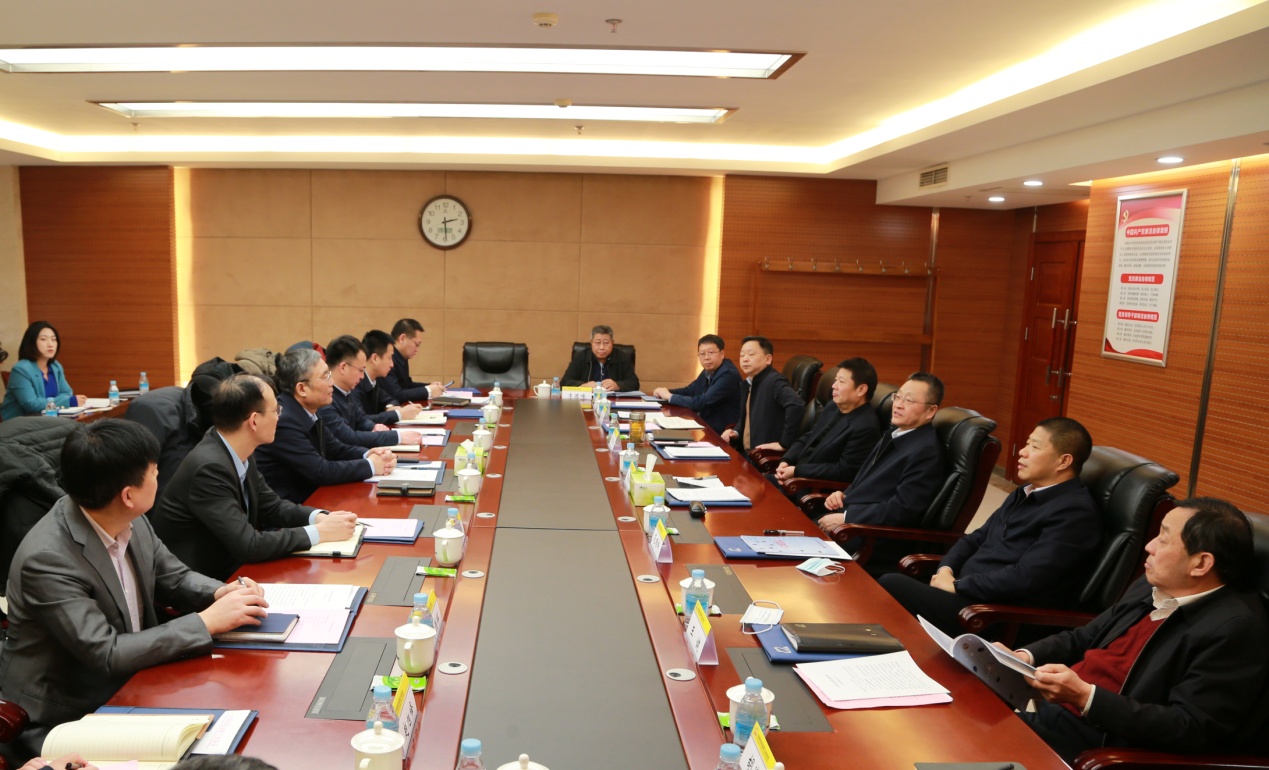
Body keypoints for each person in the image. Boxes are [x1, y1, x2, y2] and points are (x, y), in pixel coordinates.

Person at [0, 420, 268, 762]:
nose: (160, 476)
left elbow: (174, 577)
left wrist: (221, 593)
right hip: (67, 714)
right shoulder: (47, 559)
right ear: (128, 495)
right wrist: (205, 622)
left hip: (135, 681)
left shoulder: (127, 517)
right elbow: (106, 653)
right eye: (154, 471)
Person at [1000, 498, 1269, 762]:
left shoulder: (1236, 629)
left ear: (1200, 564)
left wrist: (1086, 697)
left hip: (1101, 746)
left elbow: (1190, 727)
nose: (1149, 546)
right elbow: (1085, 636)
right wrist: (1022, 658)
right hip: (1056, 714)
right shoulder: (1152, 583)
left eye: (1163, 539)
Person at [879, 417, 1101, 636]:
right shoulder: (1024, 492)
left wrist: (958, 585)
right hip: (968, 594)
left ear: (1063, 461)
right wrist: (946, 569)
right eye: (1026, 444)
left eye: (1034, 447)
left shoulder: (1075, 512)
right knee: (888, 583)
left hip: (995, 615)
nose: (1022, 452)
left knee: (890, 584)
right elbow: (976, 538)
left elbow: (1026, 578)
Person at [150, 374, 360, 581]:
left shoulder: (236, 447)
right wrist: (319, 532)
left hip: (232, 569)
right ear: (254, 421)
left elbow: (272, 507)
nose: (279, 417)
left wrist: (320, 517)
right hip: (200, 581)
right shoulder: (209, 468)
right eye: (276, 410)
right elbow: (249, 545)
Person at [254, 348, 396, 504]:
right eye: (325, 377)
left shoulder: (308, 409)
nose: (332, 382)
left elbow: (336, 449)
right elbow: (320, 471)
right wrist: (371, 466)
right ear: (302, 389)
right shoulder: (284, 420)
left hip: (313, 498)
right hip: (291, 507)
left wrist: (370, 454)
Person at [817, 372, 946, 533]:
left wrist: (847, 518)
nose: (898, 405)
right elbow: (869, 485)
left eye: (909, 400)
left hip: (865, 533)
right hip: (847, 520)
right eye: (897, 397)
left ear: (931, 411)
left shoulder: (926, 452)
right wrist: (843, 495)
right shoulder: (895, 434)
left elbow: (903, 510)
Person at [772, 358, 882, 497]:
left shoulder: (865, 427)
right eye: (836, 380)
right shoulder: (833, 406)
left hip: (813, 489)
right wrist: (786, 460)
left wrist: (796, 471)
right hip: (795, 477)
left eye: (841, 382)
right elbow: (809, 437)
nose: (834, 386)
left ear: (861, 390)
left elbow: (843, 471)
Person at [319, 335, 421, 449]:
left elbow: (361, 419)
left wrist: (373, 427)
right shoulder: (325, 399)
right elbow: (349, 437)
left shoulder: (345, 391)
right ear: (343, 368)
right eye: (361, 370)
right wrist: (397, 437)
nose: (363, 376)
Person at [720, 336, 803, 454]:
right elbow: (747, 418)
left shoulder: (775, 381)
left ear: (768, 359)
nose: (745, 359)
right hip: (746, 454)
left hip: (763, 457)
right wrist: (735, 433)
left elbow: (796, 405)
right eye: (742, 355)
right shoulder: (748, 383)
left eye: (751, 354)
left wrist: (785, 443)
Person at [651, 334, 741, 434]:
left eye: (711, 353)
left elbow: (702, 402)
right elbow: (690, 390)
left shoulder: (728, 374)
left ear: (722, 354)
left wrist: (669, 396)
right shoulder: (709, 370)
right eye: (702, 354)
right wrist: (666, 392)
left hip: (720, 433)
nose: (706, 358)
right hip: (705, 426)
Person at [0, 321, 86, 420]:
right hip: (21, 424)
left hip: (50, 420)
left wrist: (55, 402)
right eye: (43, 339)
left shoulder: (55, 366)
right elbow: (31, 404)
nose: (50, 344)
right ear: (31, 343)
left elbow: (66, 393)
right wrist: (67, 402)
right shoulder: (21, 369)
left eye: (53, 339)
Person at [357, 329, 424, 427]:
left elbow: (390, 399)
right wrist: (398, 414)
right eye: (389, 358)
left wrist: (391, 407)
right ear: (375, 358)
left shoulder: (373, 380)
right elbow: (360, 420)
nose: (392, 364)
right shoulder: (355, 383)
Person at [561, 325, 639, 392]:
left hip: (613, 400)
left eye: (606, 343)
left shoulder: (622, 357)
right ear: (591, 343)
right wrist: (583, 385)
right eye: (597, 343)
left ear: (612, 343)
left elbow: (634, 383)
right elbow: (564, 382)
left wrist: (618, 385)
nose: (601, 347)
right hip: (587, 400)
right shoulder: (581, 356)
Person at [383, 318, 442, 404]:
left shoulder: (401, 356)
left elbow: (407, 385)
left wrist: (430, 386)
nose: (417, 350)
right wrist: (428, 390)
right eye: (416, 344)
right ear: (402, 338)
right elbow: (396, 394)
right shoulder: (388, 359)